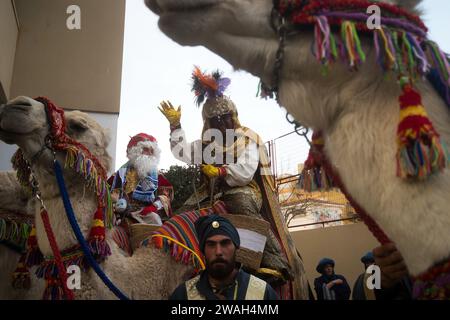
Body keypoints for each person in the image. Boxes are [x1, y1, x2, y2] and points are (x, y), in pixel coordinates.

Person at [159, 67, 305, 292]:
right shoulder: (206, 144)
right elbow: (182, 153)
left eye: (226, 118)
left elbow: (246, 171)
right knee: (179, 216)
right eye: (216, 120)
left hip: (244, 189)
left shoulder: (248, 138)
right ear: (208, 122)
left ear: (233, 117)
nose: (222, 123)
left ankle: (273, 262)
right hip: (209, 193)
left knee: (239, 201)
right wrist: (176, 126)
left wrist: (220, 172)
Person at [169, 215, 278, 300]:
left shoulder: (263, 293)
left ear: (236, 248)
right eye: (211, 245)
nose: (218, 252)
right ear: (203, 251)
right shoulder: (183, 294)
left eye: (225, 243)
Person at [109, 133, 174, 225]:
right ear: (136, 151)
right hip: (121, 212)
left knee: (155, 219)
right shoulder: (120, 173)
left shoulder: (158, 175)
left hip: (146, 213)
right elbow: (108, 194)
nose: (150, 153)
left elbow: (165, 196)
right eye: (146, 150)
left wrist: (154, 206)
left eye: (152, 151)